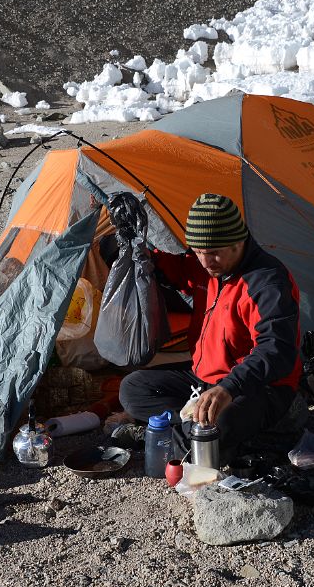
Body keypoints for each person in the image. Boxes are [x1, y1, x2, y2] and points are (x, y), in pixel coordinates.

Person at [117, 192, 302, 466]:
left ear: (239, 241)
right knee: (132, 389)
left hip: (258, 388)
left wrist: (229, 387)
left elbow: (277, 351)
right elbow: (174, 268)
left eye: (213, 252)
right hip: (204, 379)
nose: (205, 261)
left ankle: (184, 436)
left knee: (217, 425)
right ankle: (191, 431)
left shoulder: (267, 283)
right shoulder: (205, 266)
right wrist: (130, 246)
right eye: (199, 251)